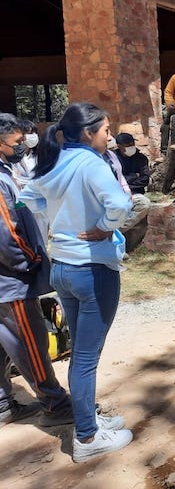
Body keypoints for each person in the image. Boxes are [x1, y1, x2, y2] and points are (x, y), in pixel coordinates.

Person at [20, 103, 133, 462]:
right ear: (87, 133)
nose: (110, 136)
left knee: (84, 356)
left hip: (63, 269)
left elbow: (28, 199)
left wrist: (58, 222)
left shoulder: (52, 161)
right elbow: (119, 203)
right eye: (105, 130)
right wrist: (106, 226)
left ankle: (89, 420)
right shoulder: (90, 164)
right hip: (93, 269)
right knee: (85, 358)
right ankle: (86, 437)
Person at [0, 113, 73, 429]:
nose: (22, 145)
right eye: (17, 141)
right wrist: (30, 260)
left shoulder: (7, 171)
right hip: (12, 279)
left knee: (4, 342)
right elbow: (7, 232)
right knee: (29, 340)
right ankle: (55, 403)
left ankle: (3, 403)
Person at [11, 119, 48, 242]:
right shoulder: (12, 157)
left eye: (34, 132)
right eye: (28, 132)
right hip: (19, 204)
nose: (32, 136)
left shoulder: (39, 155)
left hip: (39, 205)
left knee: (41, 238)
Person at [114, 133, 151, 234]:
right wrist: (134, 176)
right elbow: (114, 180)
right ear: (119, 146)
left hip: (135, 194)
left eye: (132, 144)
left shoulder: (141, 159)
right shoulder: (113, 159)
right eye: (127, 146)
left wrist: (126, 183)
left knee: (144, 204)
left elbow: (144, 180)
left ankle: (117, 231)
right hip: (116, 193)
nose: (131, 147)